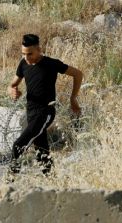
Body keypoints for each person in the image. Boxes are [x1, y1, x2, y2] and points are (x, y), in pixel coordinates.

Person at [7, 33, 83, 175]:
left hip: (45, 112)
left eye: (30, 54)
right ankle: (51, 180)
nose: (26, 58)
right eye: (24, 54)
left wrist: (73, 98)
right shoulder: (23, 64)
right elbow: (12, 84)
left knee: (18, 145)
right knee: (41, 151)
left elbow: (78, 74)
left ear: (39, 50)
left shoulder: (51, 64)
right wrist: (12, 90)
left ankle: (8, 182)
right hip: (30, 112)